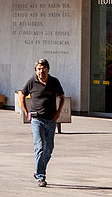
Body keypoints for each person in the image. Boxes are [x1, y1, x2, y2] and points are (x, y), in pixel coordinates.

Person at [17, 59, 65, 188]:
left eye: (43, 68)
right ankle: (41, 176)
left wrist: (58, 112)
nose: (41, 71)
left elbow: (62, 96)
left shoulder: (54, 82)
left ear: (48, 69)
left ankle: (38, 169)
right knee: (39, 146)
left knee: (48, 149)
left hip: (51, 120)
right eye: (38, 69)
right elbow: (21, 95)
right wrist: (26, 111)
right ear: (36, 70)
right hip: (37, 119)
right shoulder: (32, 81)